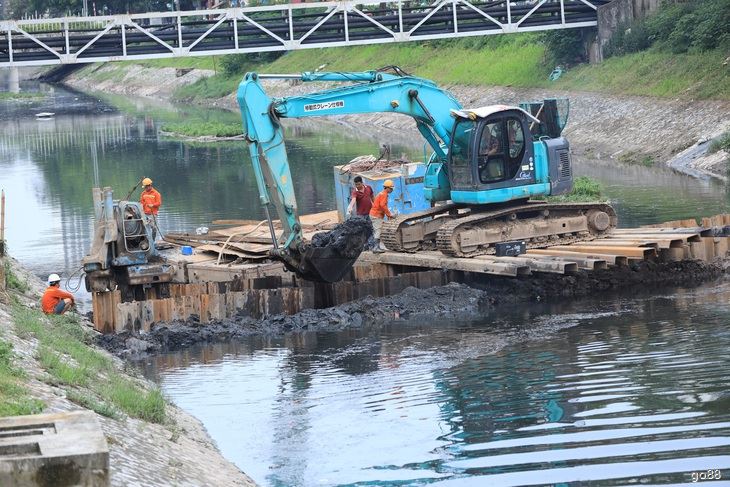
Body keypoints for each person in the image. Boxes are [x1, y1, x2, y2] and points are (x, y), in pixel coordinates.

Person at [369, 179, 396, 253]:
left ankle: (377, 247)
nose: (392, 190)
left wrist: (387, 215)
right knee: (378, 230)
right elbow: (382, 205)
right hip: (376, 215)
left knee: (377, 230)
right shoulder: (384, 194)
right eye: (391, 188)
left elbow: (383, 206)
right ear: (387, 188)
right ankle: (376, 248)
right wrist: (389, 214)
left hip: (375, 214)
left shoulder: (382, 193)